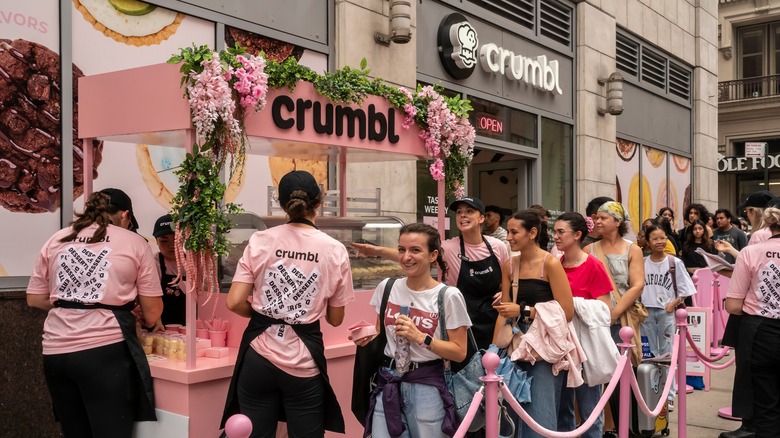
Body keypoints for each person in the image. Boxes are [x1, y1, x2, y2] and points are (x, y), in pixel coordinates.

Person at [221, 170, 354, 437]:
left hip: (258, 356)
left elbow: (234, 302)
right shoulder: (334, 249)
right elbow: (336, 318)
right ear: (319, 201)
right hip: (303, 361)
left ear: (282, 205)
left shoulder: (260, 240)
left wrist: (264, 316)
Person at [26, 191, 163, 437]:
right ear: (125, 215)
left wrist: (75, 304)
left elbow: (35, 298)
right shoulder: (135, 242)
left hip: (55, 352)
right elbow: (152, 312)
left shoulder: (57, 238)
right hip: (103, 352)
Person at [354, 223, 470, 438]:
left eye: (415, 250)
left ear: (433, 255)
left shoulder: (448, 296)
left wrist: (421, 338)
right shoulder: (387, 287)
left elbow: (459, 351)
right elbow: (381, 333)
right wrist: (367, 338)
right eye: (401, 250)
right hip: (387, 381)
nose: (406, 257)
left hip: (427, 386)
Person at [353, 196, 509, 351]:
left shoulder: (498, 246)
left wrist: (506, 293)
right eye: (459, 212)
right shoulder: (449, 248)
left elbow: (510, 276)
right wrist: (376, 250)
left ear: (481, 218)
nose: (463, 215)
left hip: (495, 321)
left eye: (469, 211)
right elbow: (413, 255)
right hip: (462, 321)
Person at [493, 209, 574, 438]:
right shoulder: (509, 265)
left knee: (540, 407)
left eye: (514, 232)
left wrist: (523, 310)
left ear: (533, 233)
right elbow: (504, 312)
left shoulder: (550, 264)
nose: (508, 237)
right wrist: (493, 351)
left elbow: (566, 311)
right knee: (511, 404)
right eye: (508, 232)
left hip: (543, 343)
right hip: (515, 339)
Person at [585, 201, 645, 435]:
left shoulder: (633, 249)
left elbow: (637, 285)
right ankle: (604, 427)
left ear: (618, 222)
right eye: (596, 218)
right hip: (596, 320)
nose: (597, 222)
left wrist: (615, 312)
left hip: (621, 322)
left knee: (622, 377)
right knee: (596, 374)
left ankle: (626, 428)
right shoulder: (589, 250)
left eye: (603, 218)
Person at [552, 212, 613, 438]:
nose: (555, 237)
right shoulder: (555, 265)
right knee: (562, 409)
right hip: (560, 345)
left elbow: (605, 309)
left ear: (577, 235)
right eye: (554, 231)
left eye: (561, 232)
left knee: (590, 409)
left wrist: (573, 305)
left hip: (585, 346)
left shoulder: (593, 266)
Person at [725, 207, 780, 438]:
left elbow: (733, 306)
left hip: (761, 333)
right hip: (762, 332)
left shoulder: (750, 252)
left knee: (765, 403)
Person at [640, 224, 696, 410]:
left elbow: (686, 289)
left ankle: (668, 396)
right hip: (646, 312)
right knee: (648, 355)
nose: (659, 242)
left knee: (667, 355)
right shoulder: (642, 262)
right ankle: (651, 393)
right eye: (655, 238)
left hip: (666, 312)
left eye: (662, 238)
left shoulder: (674, 262)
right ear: (647, 241)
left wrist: (672, 304)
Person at [152, 214, 188, 326]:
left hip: (189, 324)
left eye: (176, 240)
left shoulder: (192, 262)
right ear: (156, 242)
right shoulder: (153, 262)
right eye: (164, 241)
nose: (171, 246)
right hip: (160, 324)